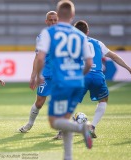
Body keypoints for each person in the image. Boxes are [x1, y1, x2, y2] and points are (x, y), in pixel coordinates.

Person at [35, 1, 93, 159]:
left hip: (61, 82)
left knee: (55, 122)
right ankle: (68, 156)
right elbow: (89, 63)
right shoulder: (81, 35)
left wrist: (37, 75)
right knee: (66, 118)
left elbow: (40, 58)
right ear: (72, 16)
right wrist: (78, 77)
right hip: (77, 83)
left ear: (58, 15)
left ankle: (83, 128)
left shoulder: (49, 33)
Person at [72, 20, 131, 138]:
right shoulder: (98, 43)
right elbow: (114, 56)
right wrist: (129, 68)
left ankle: (63, 131)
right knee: (103, 100)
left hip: (82, 76)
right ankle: (92, 127)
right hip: (97, 76)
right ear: (87, 31)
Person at [18, 11, 58, 134]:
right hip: (45, 75)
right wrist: (33, 76)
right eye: (50, 20)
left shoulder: (65, 36)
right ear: (46, 21)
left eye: (55, 20)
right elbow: (37, 57)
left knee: (60, 102)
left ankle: (62, 129)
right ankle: (29, 124)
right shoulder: (42, 37)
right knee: (39, 102)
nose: (52, 22)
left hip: (60, 75)